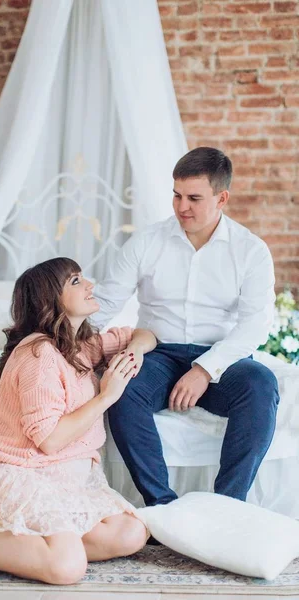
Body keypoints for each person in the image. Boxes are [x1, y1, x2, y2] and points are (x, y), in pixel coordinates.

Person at [0, 257, 156, 584]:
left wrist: (135, 351)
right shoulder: (38, 355)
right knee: (67, 568)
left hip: (68, 483)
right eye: (75, 281)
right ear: (50, 300)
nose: (89, 285)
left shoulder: (80, 347)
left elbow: (144, 334)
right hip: (25, 477)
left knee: (131, 533)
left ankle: (41, 546)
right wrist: (106, 397)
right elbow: (50, 440)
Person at [91, 146, 280, 508]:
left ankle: (227, 506)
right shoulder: (146, 242)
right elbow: (106, 304)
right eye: (176, 195)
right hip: (158, 354)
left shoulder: (250, 251)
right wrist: (55, 337)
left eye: (194, 198)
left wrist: (204, 369)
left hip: (223, 360)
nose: (182, 208)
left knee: (262, 385)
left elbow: (255, 325)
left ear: (222, 198)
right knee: (121, 387)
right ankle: (163, 506)